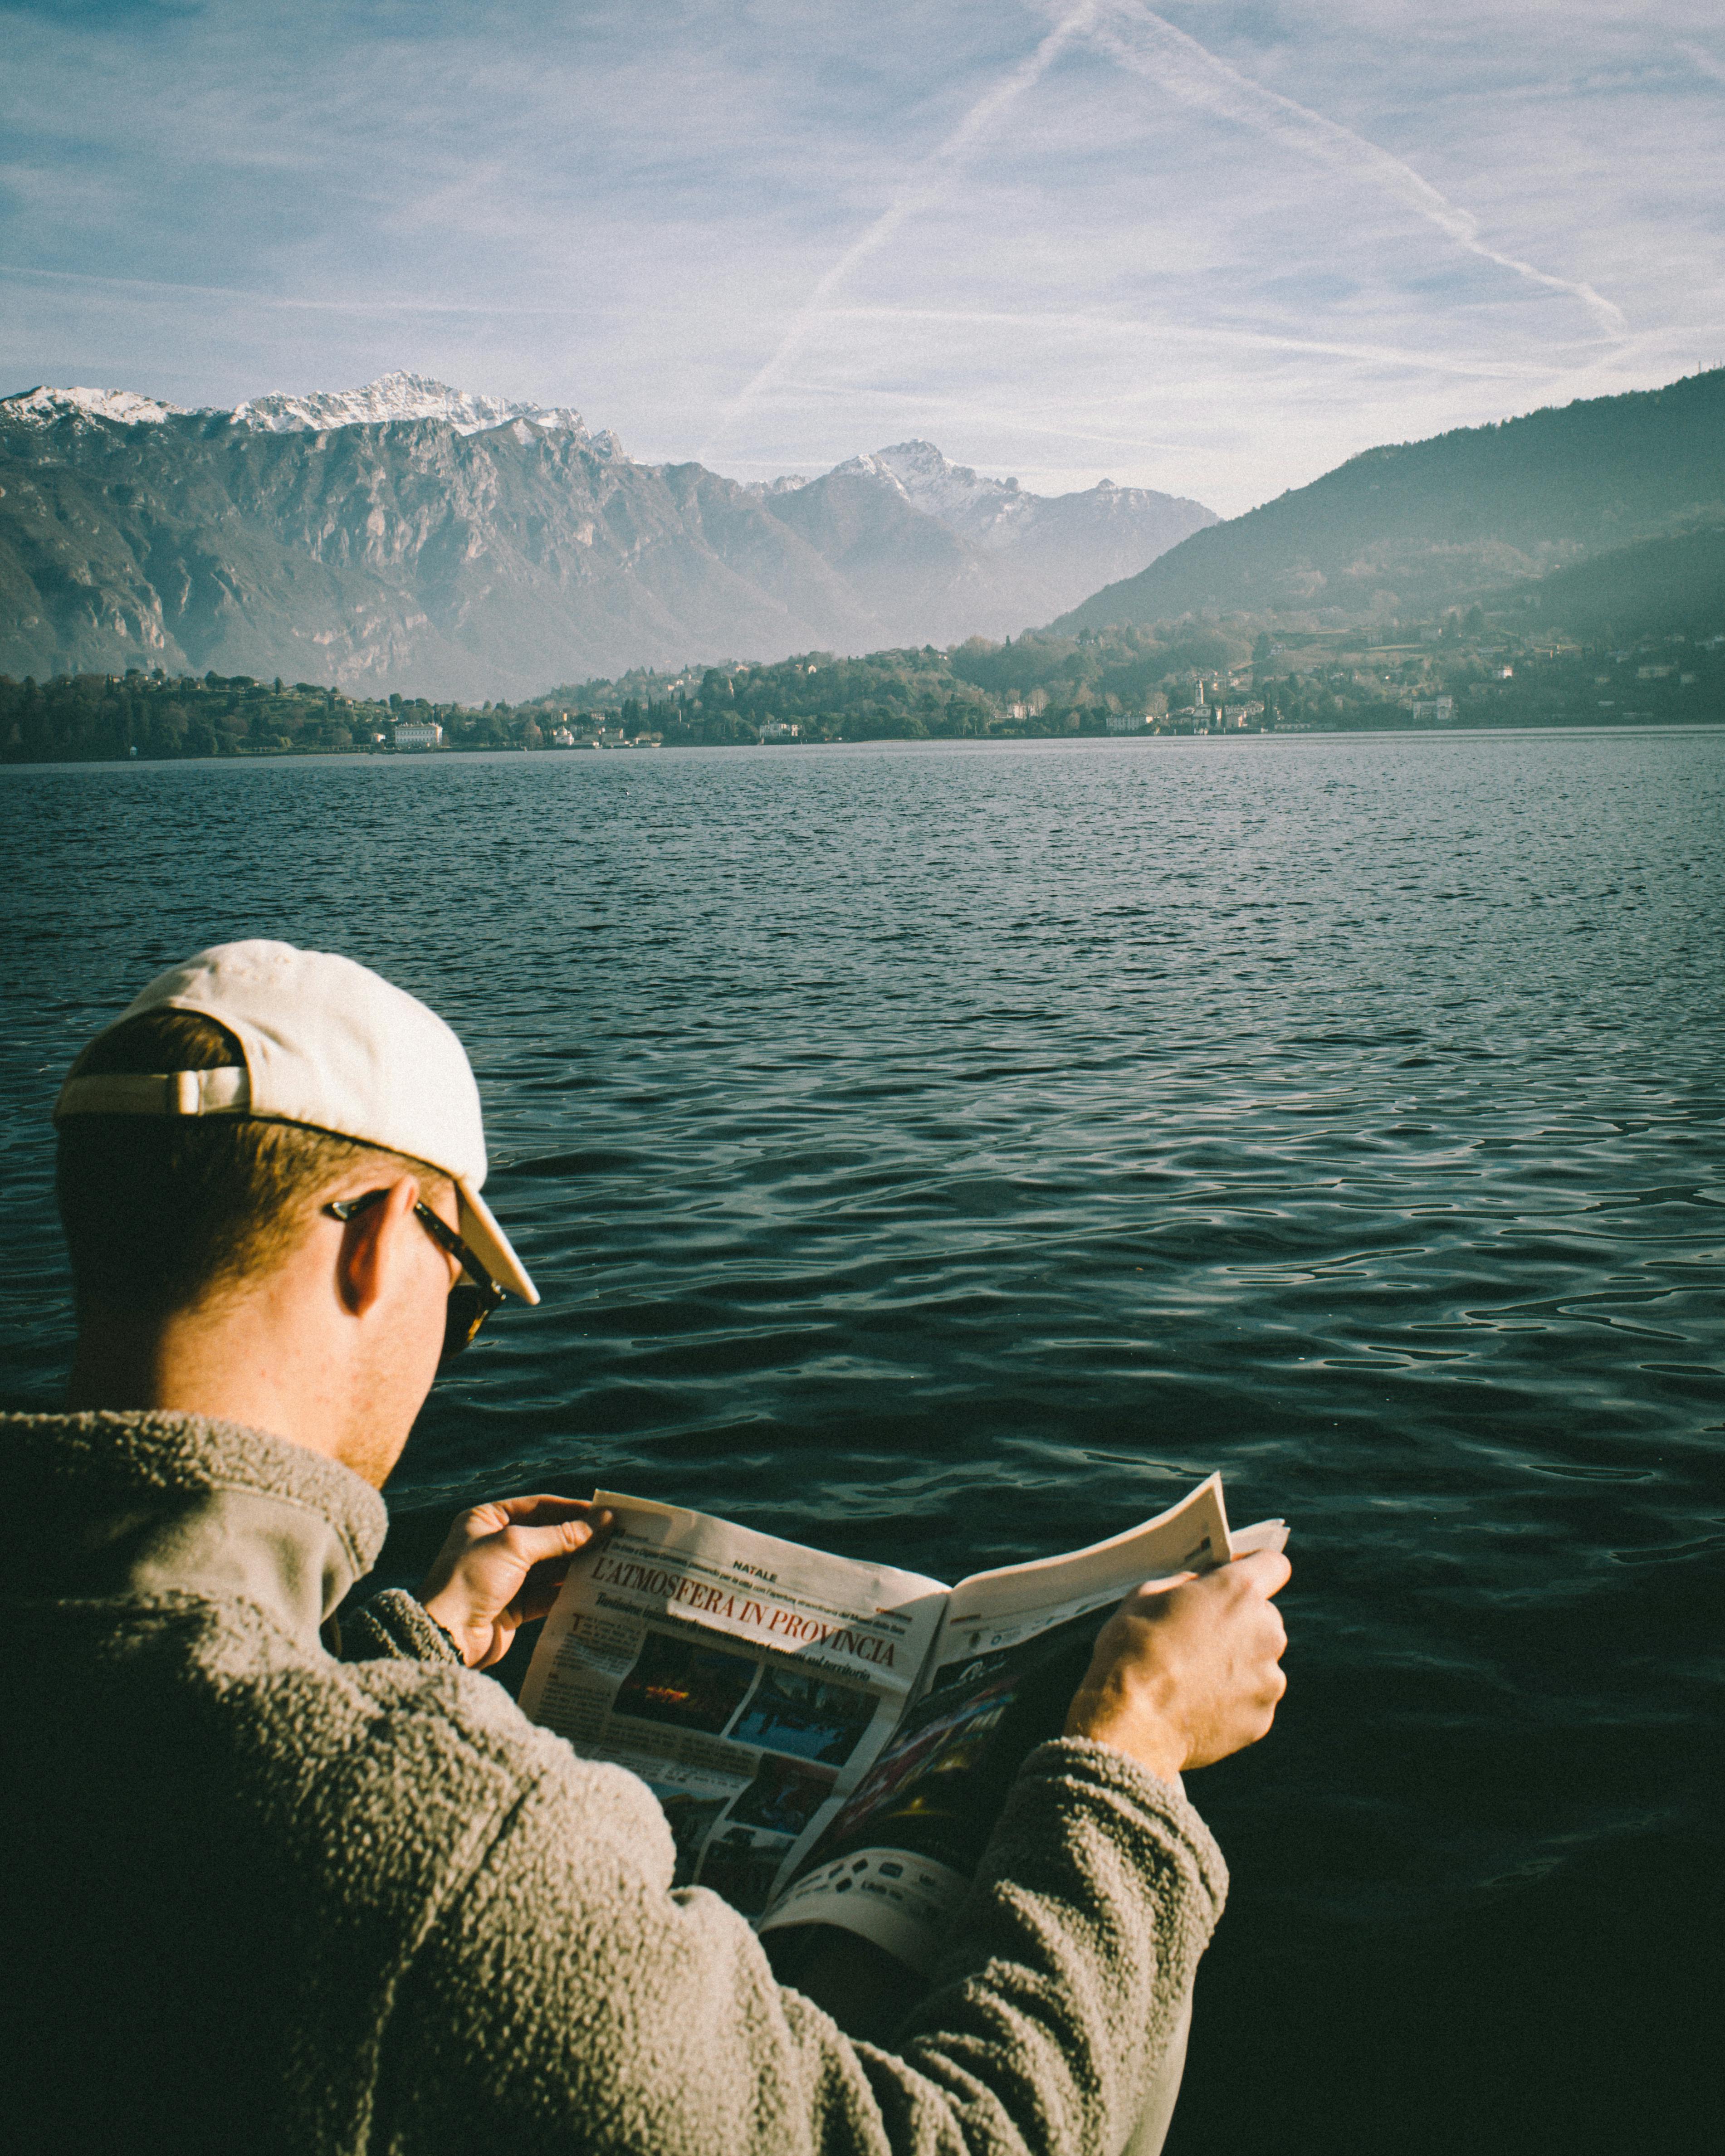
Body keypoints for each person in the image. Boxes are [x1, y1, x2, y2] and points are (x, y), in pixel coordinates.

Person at [0, 938, 1291, 2156]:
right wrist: (1124, 1757)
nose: (445, 1354)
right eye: (466, 1306)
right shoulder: (432, 1838)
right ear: (385, 1234)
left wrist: (408, 1649)